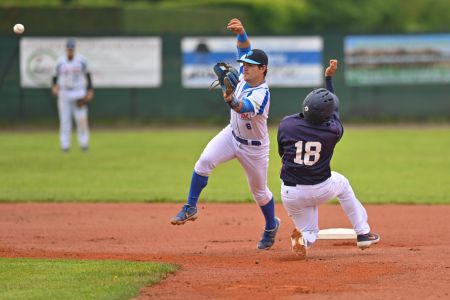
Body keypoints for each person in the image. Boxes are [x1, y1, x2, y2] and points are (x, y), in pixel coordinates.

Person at [171, 18, 280, 250]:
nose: (246, 67)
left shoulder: (262, 94)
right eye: (245, 65)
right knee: (204, 162)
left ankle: (271, 225)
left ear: (263, 69)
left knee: (259, 192)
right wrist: (241, 32)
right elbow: (244, 48)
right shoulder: (242, 74)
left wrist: (230, 98)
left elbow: (244, 108)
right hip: (231, 135)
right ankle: (190, 207)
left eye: (251, 65)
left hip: (254, 148)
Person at [277, 59, 380, 259]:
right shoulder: (333, 131)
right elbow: (334, 109)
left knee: (310, 231)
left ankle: (305, 239)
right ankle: (363, 232)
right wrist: (329, 79)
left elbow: (283, 153)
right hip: (321, 188)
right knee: (343, 184)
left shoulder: (286, 124)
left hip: (291, 193)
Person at [51, 38, 94, 152]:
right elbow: (55, 76)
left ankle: (84, 144)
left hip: (79, 92)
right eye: (69, 49)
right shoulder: (60, 61)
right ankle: (65, 146)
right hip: (64, 93)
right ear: (66, 49)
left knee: (81, 121)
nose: (70, 51)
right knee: (65, 121)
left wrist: (89, 90)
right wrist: (54, 86)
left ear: (74, 49)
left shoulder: (81, 61)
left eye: (72, 49)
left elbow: (88, 75)